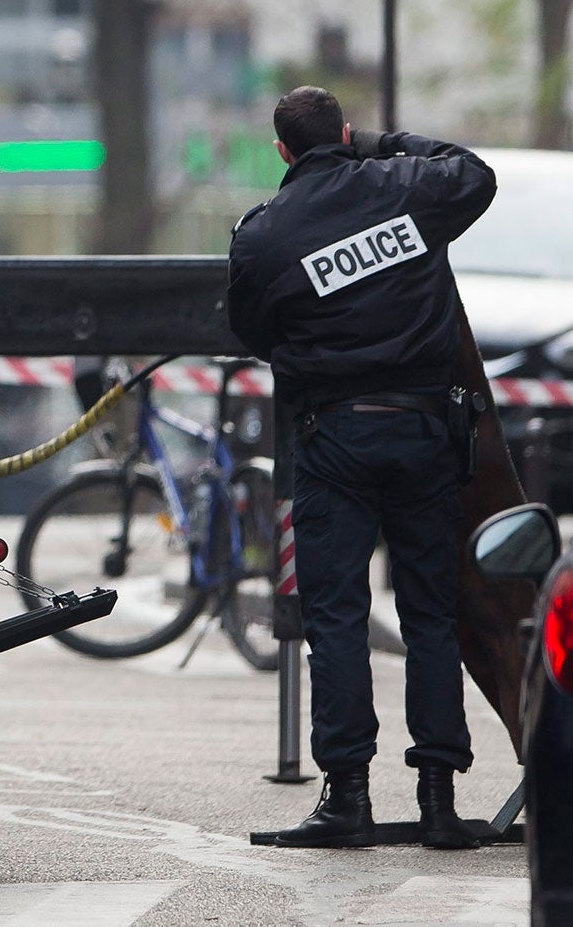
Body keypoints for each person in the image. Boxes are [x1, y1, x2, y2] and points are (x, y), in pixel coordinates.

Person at [226, 86, 496, 850]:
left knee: (337, 621)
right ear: (344, 133)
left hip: (334, 440)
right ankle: (440, 803)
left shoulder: (266, 234)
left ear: (282, 151)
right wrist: (377, 145)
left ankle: (347, 801)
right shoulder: (406, 185)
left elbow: (254, 330)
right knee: (430, 618)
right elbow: (474, 171)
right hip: (425, 433)